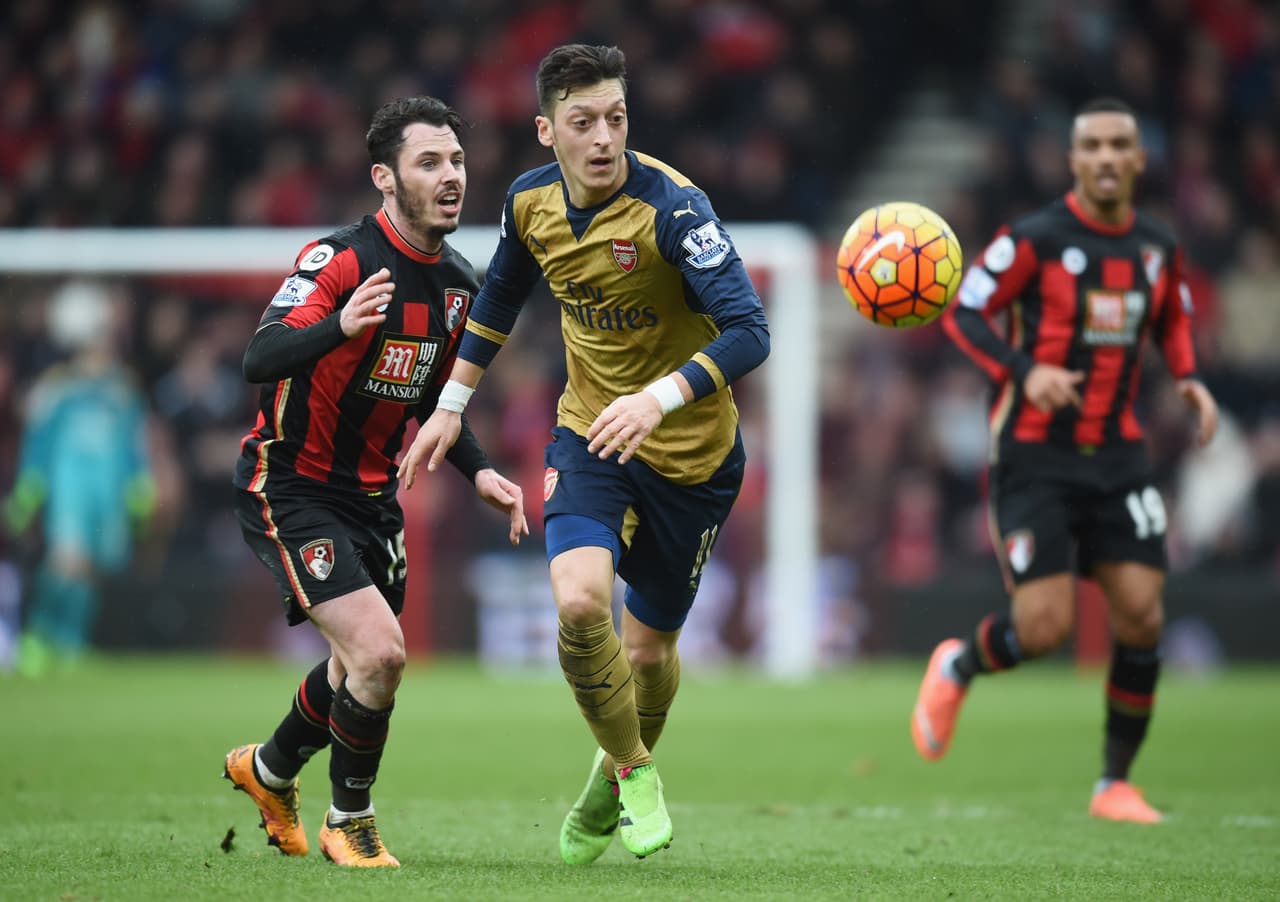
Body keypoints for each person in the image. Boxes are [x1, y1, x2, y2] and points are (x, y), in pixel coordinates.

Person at [398, 44, 770, 862]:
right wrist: (451, 405)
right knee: (577, 603)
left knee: (648, 652)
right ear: (547, 131)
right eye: (583, 122)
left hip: (692, 459)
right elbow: (500, 296)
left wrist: (658, 398)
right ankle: (635, 769)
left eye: (616, 118)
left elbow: (751, 330)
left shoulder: (675, 210)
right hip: (592, 437)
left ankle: (606, 783)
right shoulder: (529, 202)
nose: (603, 137)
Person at [223, 95, 528, 868]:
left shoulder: (458, 287)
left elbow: (433, 400)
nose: (451, 176)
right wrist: (340, 326)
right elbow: (259, 357)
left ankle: (267, 772)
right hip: (292, 486)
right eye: (429, 162)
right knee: (381, 655)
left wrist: (480, 470)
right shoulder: (339, 261)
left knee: (353, 668)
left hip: (372, 502)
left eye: (456, 160)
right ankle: (348, 822)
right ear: (384, 178)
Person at [913, 97, 1219, 823]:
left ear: (1138, 159)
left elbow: (1172, 318)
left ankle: (1115, 784)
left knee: (1141, 614)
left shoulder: (1156, 246)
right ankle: (958, 664)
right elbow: (965, 312)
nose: (1107, 157)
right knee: (1043, 629)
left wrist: (1188, 378)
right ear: (1074, 159)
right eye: (1093, 146)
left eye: (1120, 145)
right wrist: (1025, 372)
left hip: (1118, 457)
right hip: (1034, 456)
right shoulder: (1034, 240)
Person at [3, 280, 155, 677]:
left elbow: (132, 445)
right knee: (67, 561)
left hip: (107, 492)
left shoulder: (122, 391)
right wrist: (30, 487)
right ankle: (37, 635)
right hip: (69, 487)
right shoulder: (59, 390)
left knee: (92, 567)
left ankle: (71, 640)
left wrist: (139, 484)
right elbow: (40, 441)